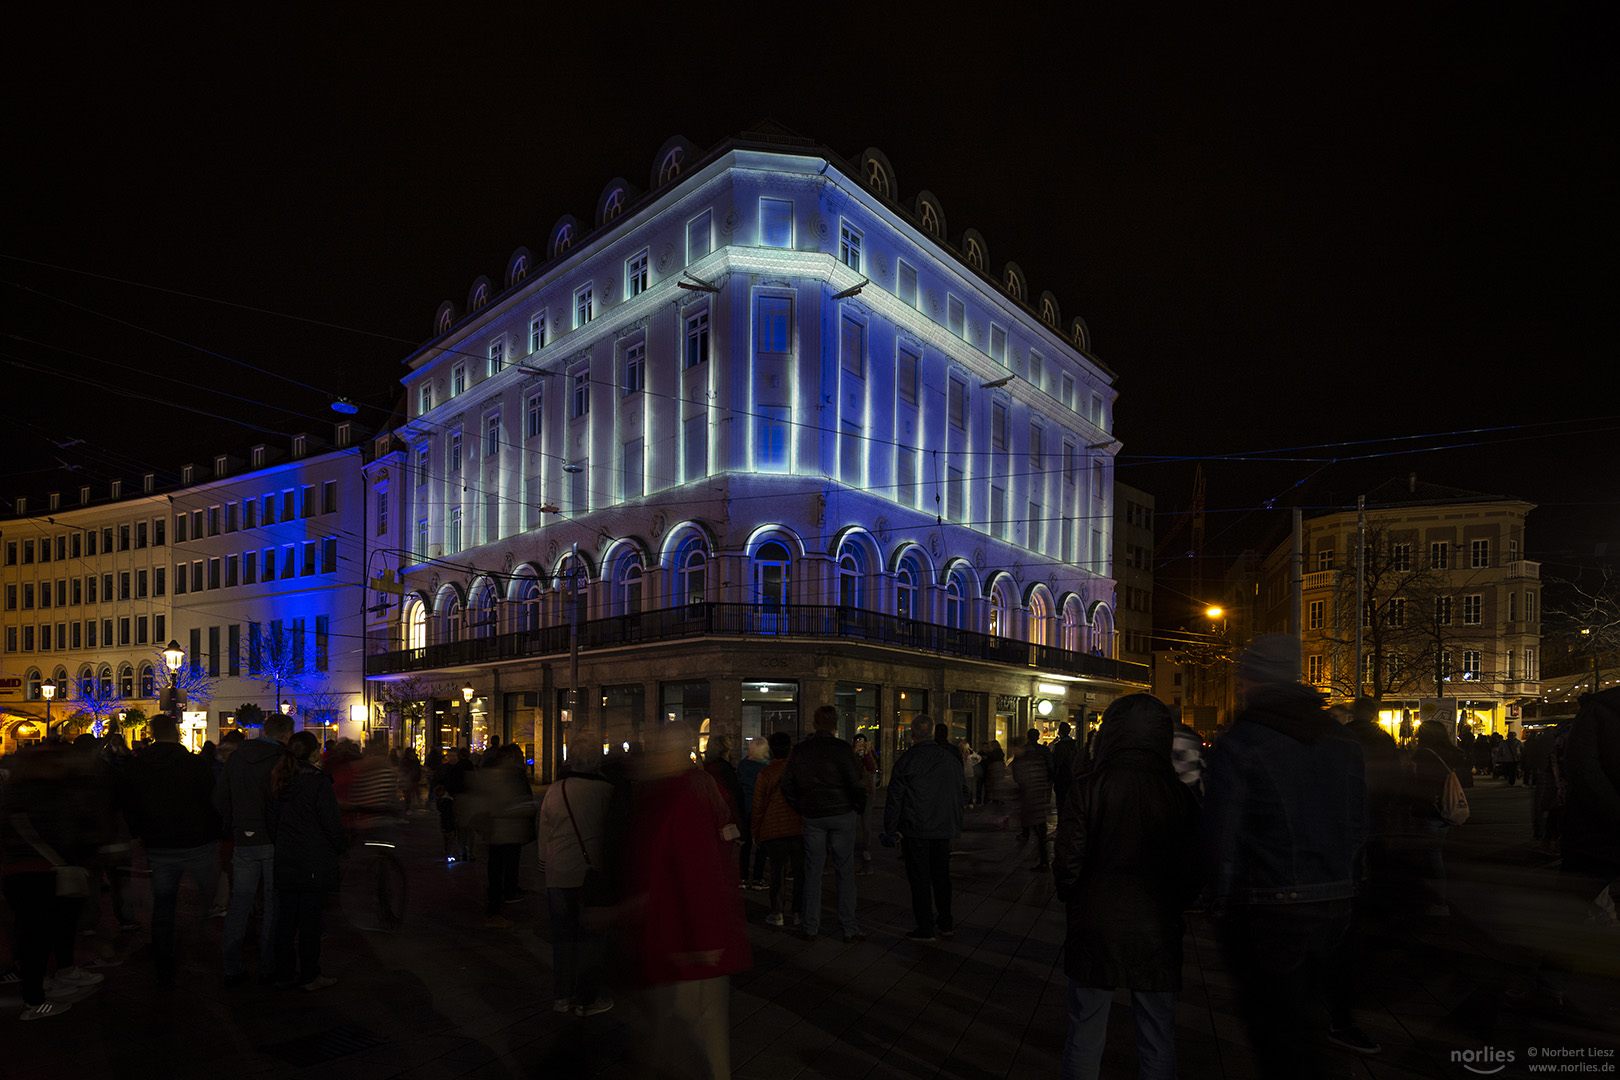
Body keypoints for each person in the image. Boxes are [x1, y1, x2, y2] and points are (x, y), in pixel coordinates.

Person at [1202, 633, 1371, 1077]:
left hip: (1267, 904)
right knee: (1312, 1016)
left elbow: (1221, 834)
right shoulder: (1342, 741)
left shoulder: (1241, 743)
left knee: (1276, 1028)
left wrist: (1218, 901)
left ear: (1254, 681)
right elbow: (1358, 826)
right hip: (1335, 900)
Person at [1053, 694, 1200, 1080]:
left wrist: (1075, 895)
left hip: (1097, 920)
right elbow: (1193, 869)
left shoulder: (1088, 786)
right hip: (1156, 925)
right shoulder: (1179, 795)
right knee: (1157, 1036)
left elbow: (1068, 859)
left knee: (1085, 1031)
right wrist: (1176, 904)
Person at [626, 723, 752, 1078]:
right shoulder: (669, 792)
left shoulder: (680, 796)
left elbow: (700, 871)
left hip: (687, 940)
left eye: (658, 749)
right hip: (676, 934)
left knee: (698, 1028)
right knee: (687, 1029)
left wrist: (706, 940)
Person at [0, 742, 104, 1020]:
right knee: (43, 935)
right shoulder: (52, 795)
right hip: (47, 873)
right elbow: (67, 834)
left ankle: (42, 983)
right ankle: (35, 1003)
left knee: (29, 932)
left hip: (14, 873)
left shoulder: (10, 794)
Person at [121, 715, 221, 989]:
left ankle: (164, 963)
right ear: (176, 733)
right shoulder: (193, 763)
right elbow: (210, 799)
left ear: (152, 733)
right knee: (208, 896)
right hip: (197, 839)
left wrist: (139, 832)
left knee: (163, 905)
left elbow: (129, 802)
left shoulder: (139, 765)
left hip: (160, 843)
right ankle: (199, 947)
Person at [214, 711, 293, 985]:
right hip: (272, 839)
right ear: (286, 736)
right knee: (273, 904)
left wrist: (235, 823)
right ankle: (268, 965)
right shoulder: (283, 760)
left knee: (240, 902)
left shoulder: (236, 758)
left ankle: (232, 965)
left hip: (244, 838)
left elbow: (221, 797)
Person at [537, 742, 614, 1015]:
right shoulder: (606, 791)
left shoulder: (555, 789)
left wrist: (543, 861)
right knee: (591, 938)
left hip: (558, 872)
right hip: (590, 873)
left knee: (563, 938)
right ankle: (586, 998)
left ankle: (561, 995)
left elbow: (545, 829)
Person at [781, 706, 867, 943]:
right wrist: (857, 806)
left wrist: (801, 806)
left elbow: (786, 783)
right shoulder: (842, 749)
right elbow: (856, 782)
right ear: (835, 724)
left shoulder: (801, 750)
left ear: (814, 723)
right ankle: (849, 926)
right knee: (845, 871)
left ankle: (811, 925)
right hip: (841, 812)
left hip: (814, 814)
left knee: (813, 870)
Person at [268, 731, 346, 991]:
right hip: (312, 861)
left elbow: (272, 820)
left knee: (286, 920)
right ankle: (310, 974)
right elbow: (331, 823)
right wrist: (340, 847)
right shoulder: (317, 783)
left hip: (286, 859)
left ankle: (283, 971)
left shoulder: (281, 778)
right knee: (310, 922)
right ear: (314, 753)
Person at [884, 715, 966, 942]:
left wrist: (891, 829)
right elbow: (962, 792)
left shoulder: (907, 760)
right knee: (942, 877)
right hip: (942, 828)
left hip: (916, 828)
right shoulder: (950, 759)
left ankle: (925, 926)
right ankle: (946, 923)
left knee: (919, 879)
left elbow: (895, 798)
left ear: (912, 734)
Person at [467, 744, 535, 928]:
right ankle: (494, 912)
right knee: (496, 872)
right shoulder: (499, 778)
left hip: (500, 833)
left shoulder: (496, 776)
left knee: (496, 870)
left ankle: (496, 908)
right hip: (502, 832)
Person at [1406, 720, 1465, 917]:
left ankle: (1438, 903)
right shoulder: (1453, 754)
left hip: (1427, 810)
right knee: (1435, 854)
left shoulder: (1423, 754)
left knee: (1431, 858)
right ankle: (1435, 900)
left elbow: (1419, 784)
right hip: (1445, 810)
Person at [751, 732, 803, 928]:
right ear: (790, 747)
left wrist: (755, 832)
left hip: (773, 830)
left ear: (771, 750)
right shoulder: (797, 771)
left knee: (777, 872)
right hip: (798, 828)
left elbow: (758, 807)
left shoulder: (765, 774)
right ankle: (798, 912)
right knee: (799, 873)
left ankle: (777, 912)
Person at [1011, 727, 1055, 869]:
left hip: (1032, 797)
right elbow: (1049, 768)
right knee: (1040, 828)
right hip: (1039, 794)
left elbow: (1021, 777)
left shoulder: (1025, 756)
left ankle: (1043, 860)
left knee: (1039, 828)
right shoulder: (1041, 752)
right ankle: (1043, 858)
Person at [736, 737, 770, 888]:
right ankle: (757, 878)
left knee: (746, 844)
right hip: (761, 808)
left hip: (745, 806)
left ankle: (743, 877)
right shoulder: (767, 767)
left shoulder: (743, 765)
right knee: (761, 845)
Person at [852, 733, 879, 875]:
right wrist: (855, 752)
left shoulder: (869, 753)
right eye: (858, 742)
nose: (860, 744)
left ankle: (866, 850)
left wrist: (868, 752)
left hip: (866, 791)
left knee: (866, 821)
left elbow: (872, 767)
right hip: (854, 791)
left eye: (862, 742)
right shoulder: (852, 755)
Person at [1050, 721, 1079, 819]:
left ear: (1059, 732)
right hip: (1072, 778)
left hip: (1061, 778)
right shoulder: (1074, 746)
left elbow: (1056, 762)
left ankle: (1061, 825)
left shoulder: (1060, 746)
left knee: (1061, 803)